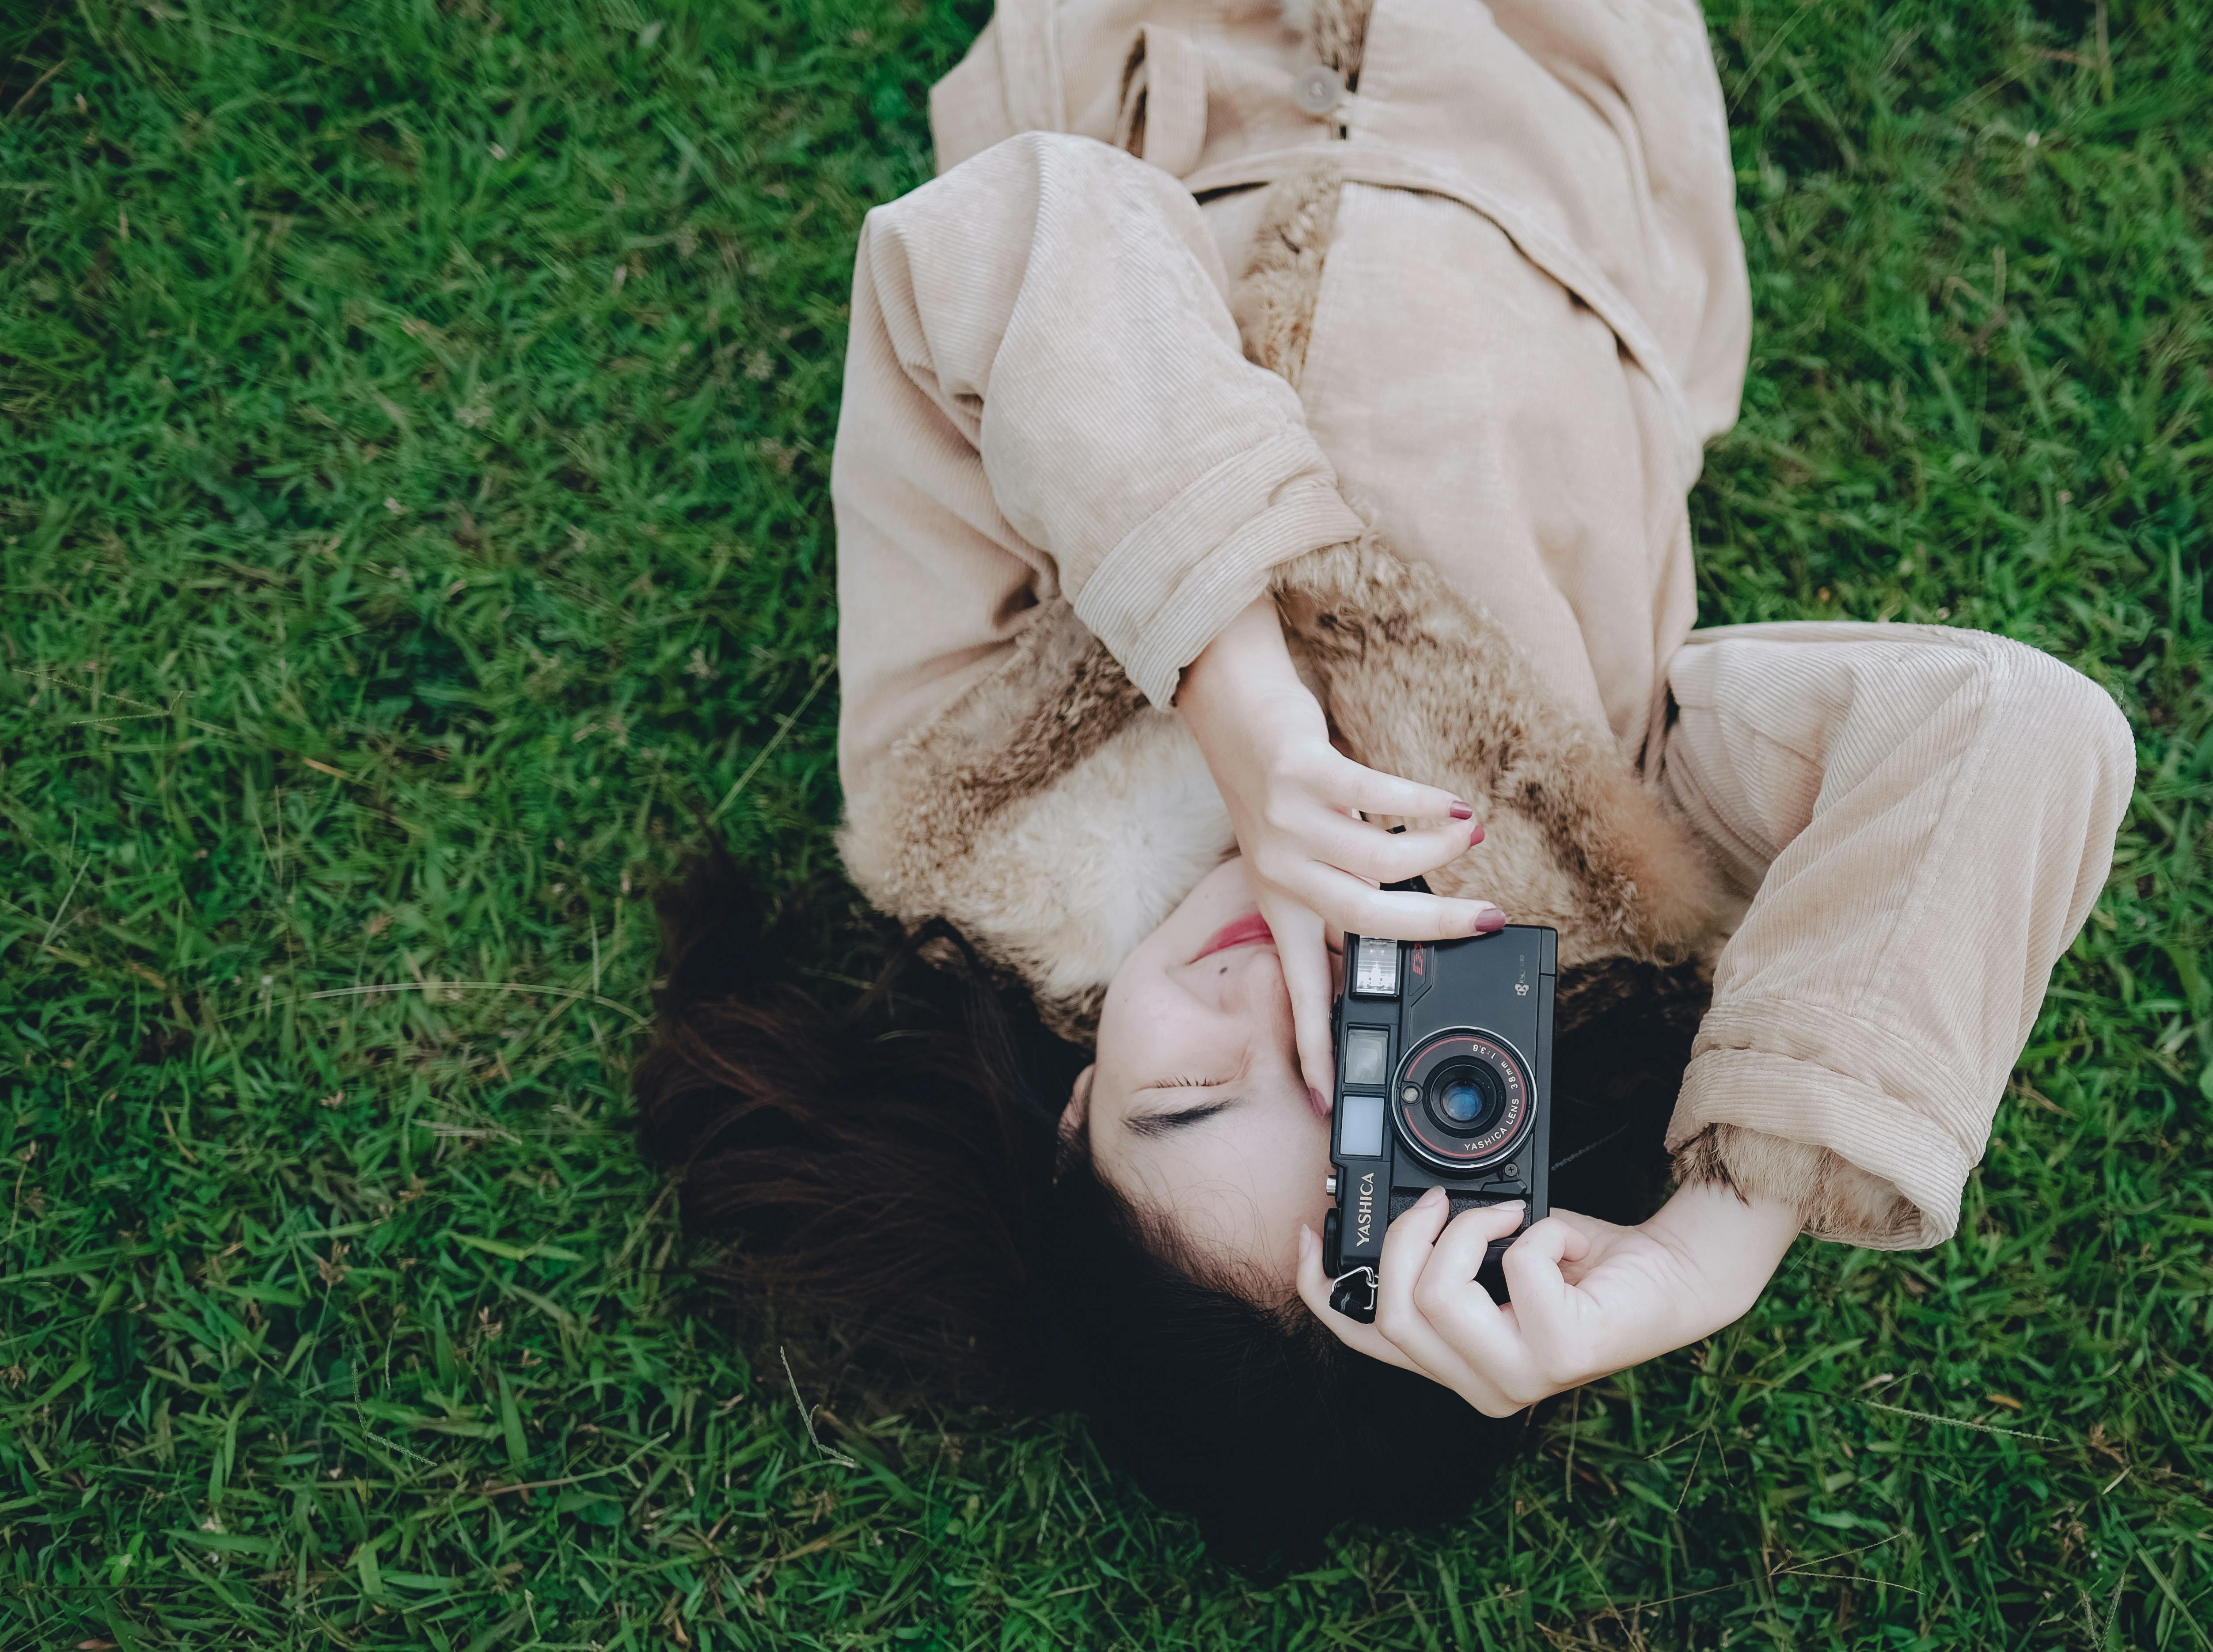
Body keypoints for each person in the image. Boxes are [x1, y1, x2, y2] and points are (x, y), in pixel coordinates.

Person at [635, 0, 2133, 1566]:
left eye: (1192, 1096)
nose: (1285, 1001)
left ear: (1075, 1111)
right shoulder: (1612, 878)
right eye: (1366, 1086)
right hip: (1550, 76)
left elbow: (1026, 224)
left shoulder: (957, 806)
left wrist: (1246, 708)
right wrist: (1723, 1237)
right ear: (1489, 1117)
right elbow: (2010, 726)